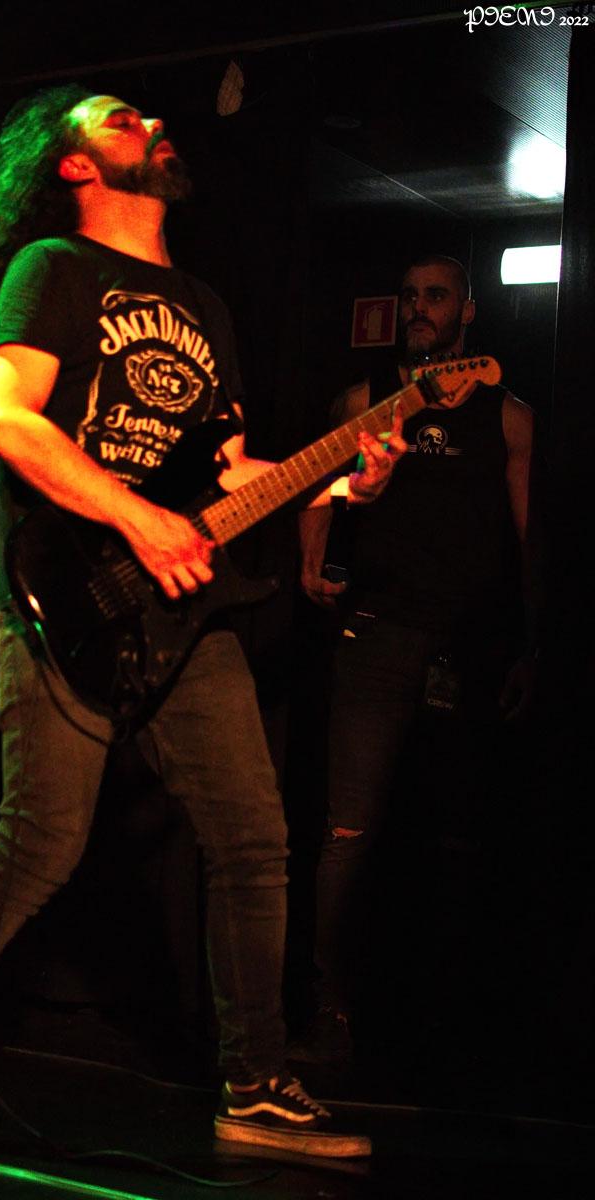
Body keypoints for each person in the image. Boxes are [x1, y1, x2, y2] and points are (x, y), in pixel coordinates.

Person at [0, 86, 405, 1158]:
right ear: (74, 166)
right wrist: (138, 519)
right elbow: (9, 422)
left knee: (253, 840)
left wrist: (343, 480)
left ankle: (257, 1087)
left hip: (188, 609)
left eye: (146, 117)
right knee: (39, 841)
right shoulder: (51, 269)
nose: (146, 123)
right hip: (68, 599)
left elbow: (229, 472)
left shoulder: (205, 306)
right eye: (117, 118)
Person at [294, 255, 540, 1064]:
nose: (419, 309)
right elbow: (311, 481)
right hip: (377, 635)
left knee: (455, 834)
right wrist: (312, 561)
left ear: (467, 310)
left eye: (436, 296)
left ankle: (445, 1027)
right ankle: (330, 1013)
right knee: (349, 831)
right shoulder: (369, 401)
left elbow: (530, 539)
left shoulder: (509, 416)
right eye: (409, 298)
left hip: (467, 646)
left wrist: (532, 642)